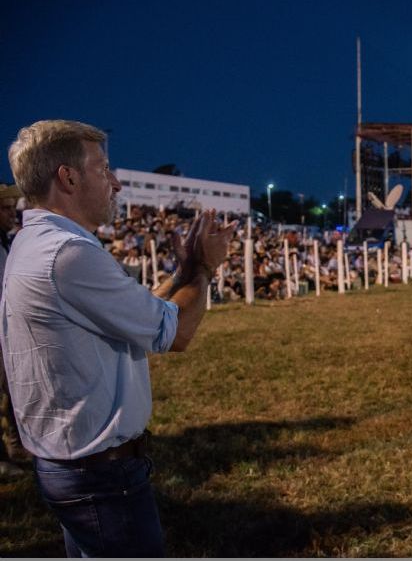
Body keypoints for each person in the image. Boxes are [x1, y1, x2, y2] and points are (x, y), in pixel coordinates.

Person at [1, 120, 237, 556]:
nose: (115, 181)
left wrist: (184, 272)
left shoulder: (37, 241)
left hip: (74, 467)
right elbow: (174, 333)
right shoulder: (67, 254)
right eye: (103, 168)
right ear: (67, 177)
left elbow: (140, 313)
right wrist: (204, 268)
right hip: (100, 476)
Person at [0, 183, 27, 478]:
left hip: (8, 331)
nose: (12, 214)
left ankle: (15, 444)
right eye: (5, 209)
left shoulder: (6, 242)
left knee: (13, 390)